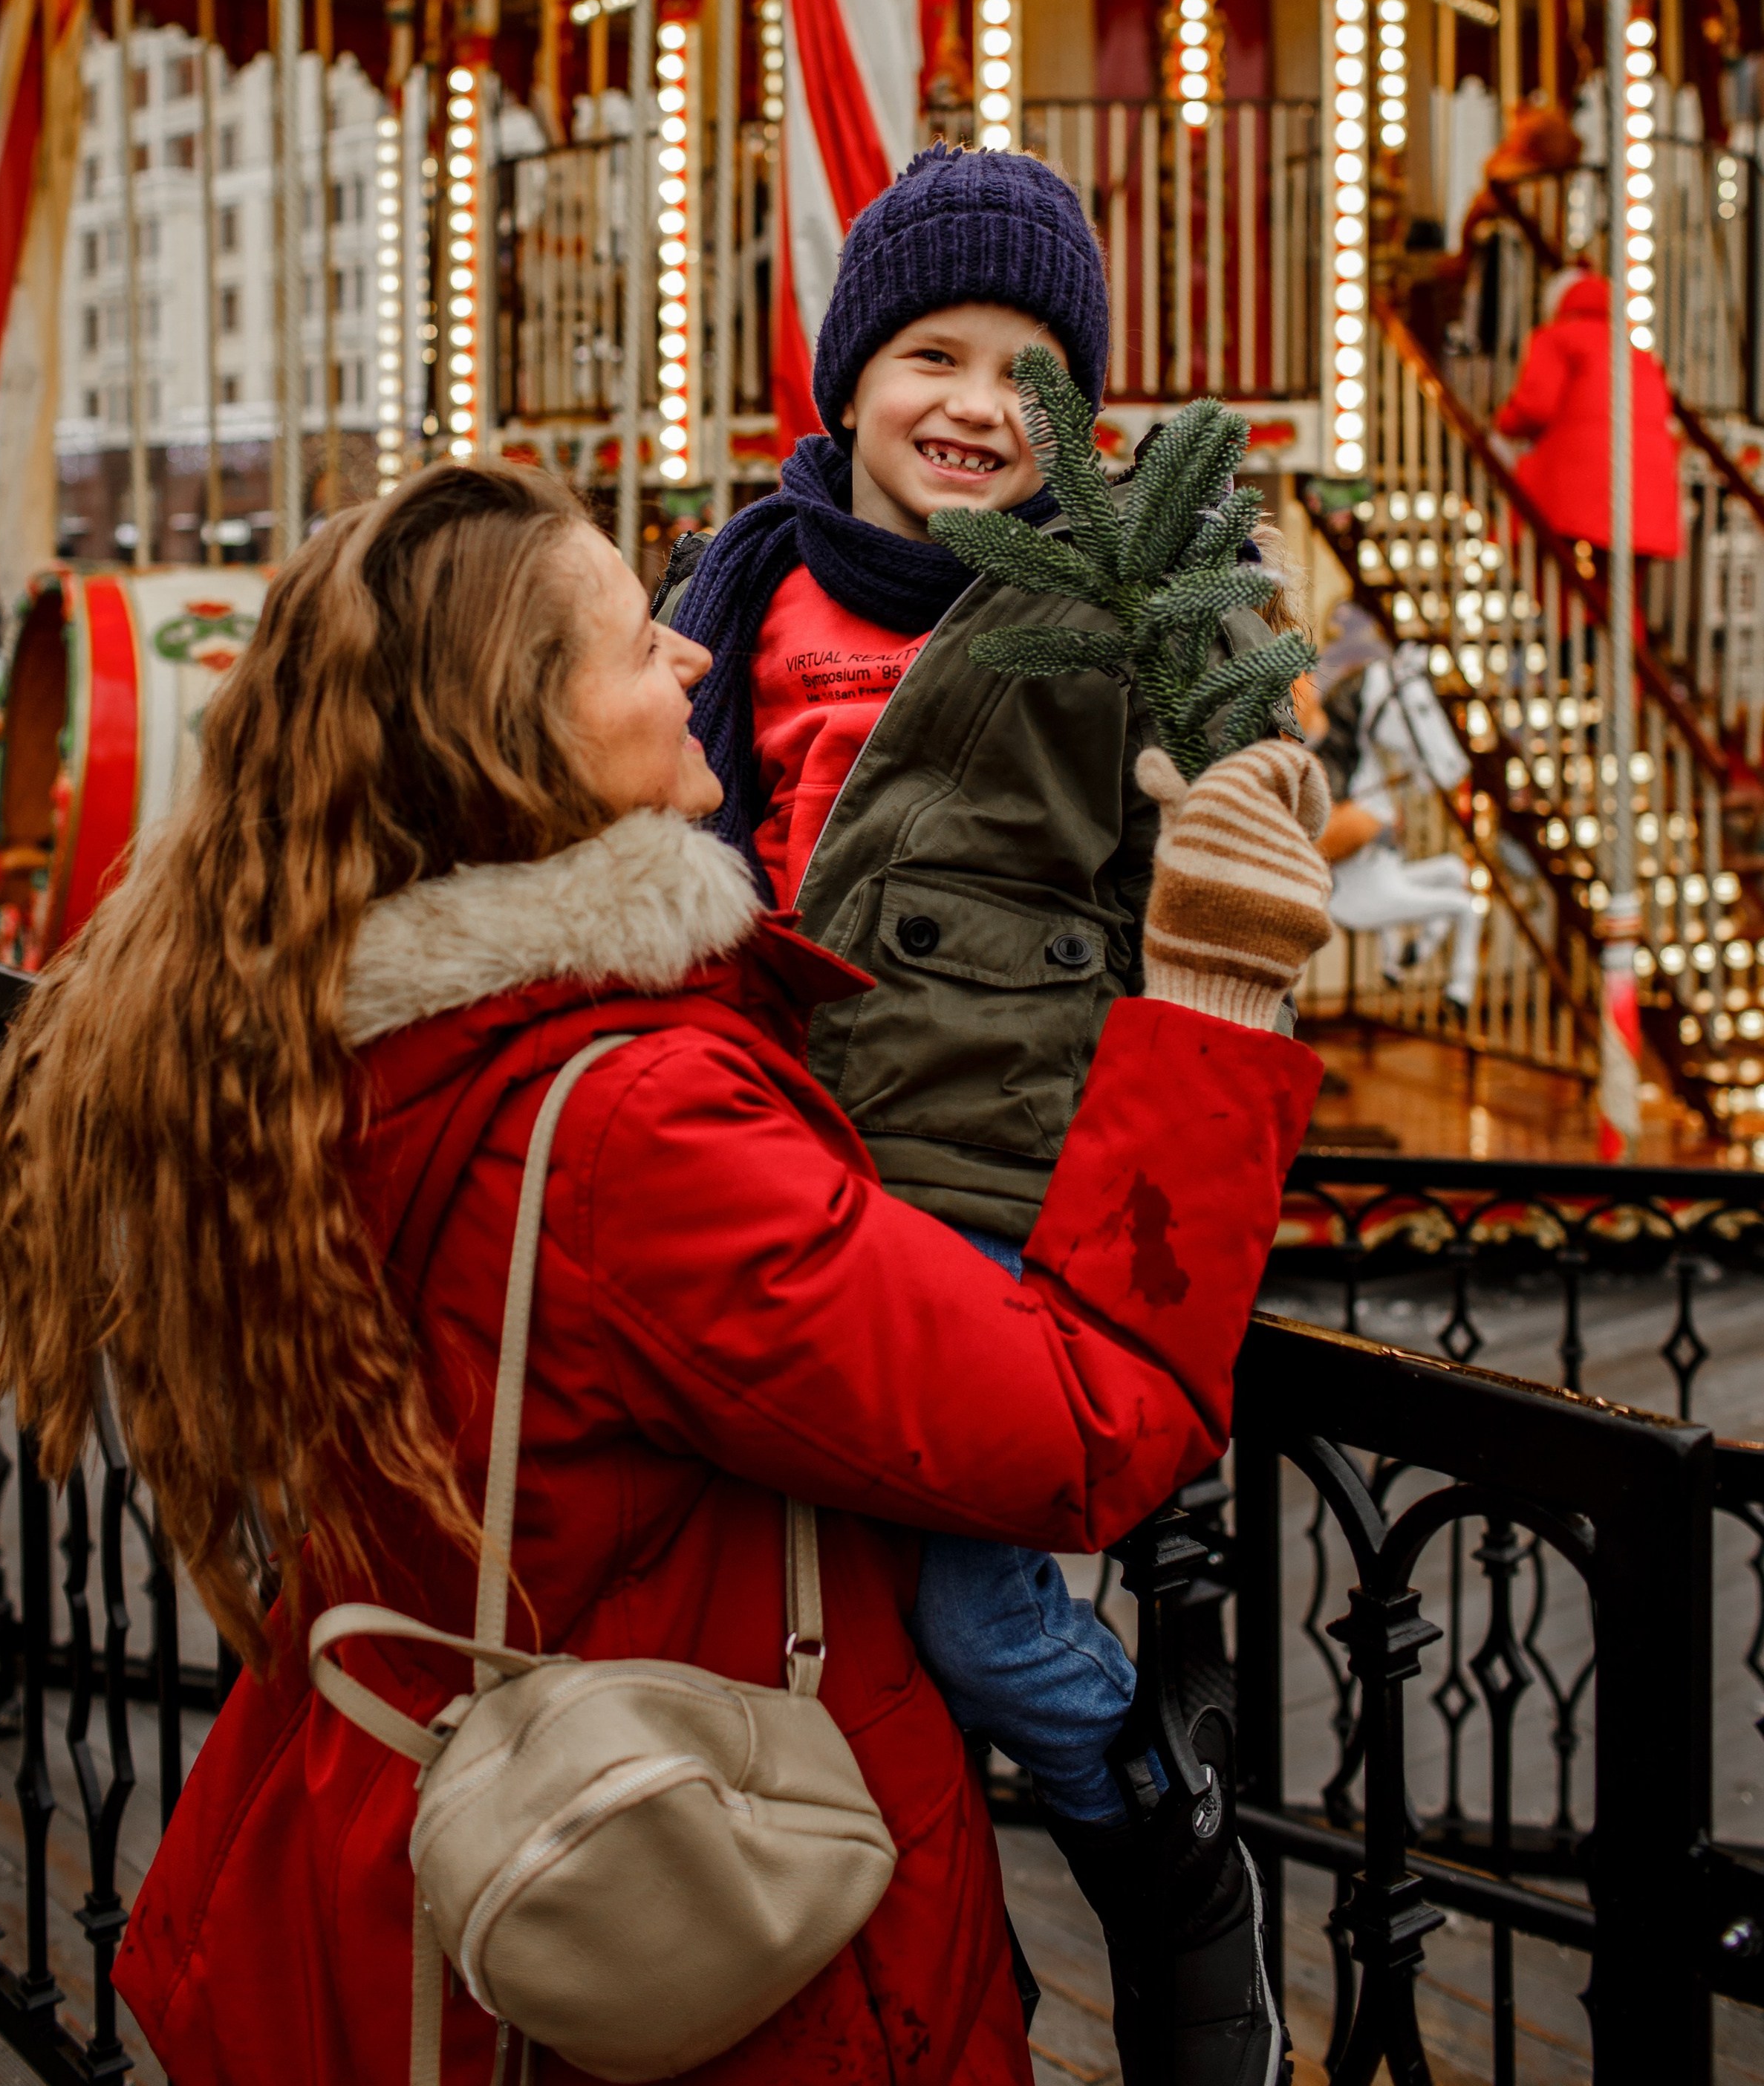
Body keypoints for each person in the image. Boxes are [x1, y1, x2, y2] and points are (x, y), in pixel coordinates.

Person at [0, 462, 1327, 2086]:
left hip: (406, 1807)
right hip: (682, 1888)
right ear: (519, 740)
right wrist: (1211, 996)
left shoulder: (325, 1024)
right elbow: (1083, 1419)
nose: (690, 653)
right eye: (631, 645)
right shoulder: (634, 1133)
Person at [657, 142, 1298, 2078]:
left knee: (967, 1610)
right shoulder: (742, 583)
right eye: (929, 354)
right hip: (761, 1148)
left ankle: (1159, 1843)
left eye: (1031, 373)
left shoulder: (1113, 604)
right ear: (847, 378)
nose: (975, 404)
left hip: (972, 1178)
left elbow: (1238, 775)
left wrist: (1222, 694)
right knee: (776, 1594)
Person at [1299, 603, 1482, 1019]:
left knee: (1453, 869)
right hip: (1345, 883)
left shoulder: (1361, 771)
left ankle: (1404, 953)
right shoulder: (1326, 773)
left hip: (1367, 851)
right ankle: (1443, 967)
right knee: (1461, 904)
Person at [1491, 267, 1682, 565]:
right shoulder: (1639, 353)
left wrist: (1501, 424)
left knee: (1547, 566)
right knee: (1617, 584)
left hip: (1581, 487)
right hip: (1647, 492)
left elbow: (1534, 407)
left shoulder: (1557, 338)